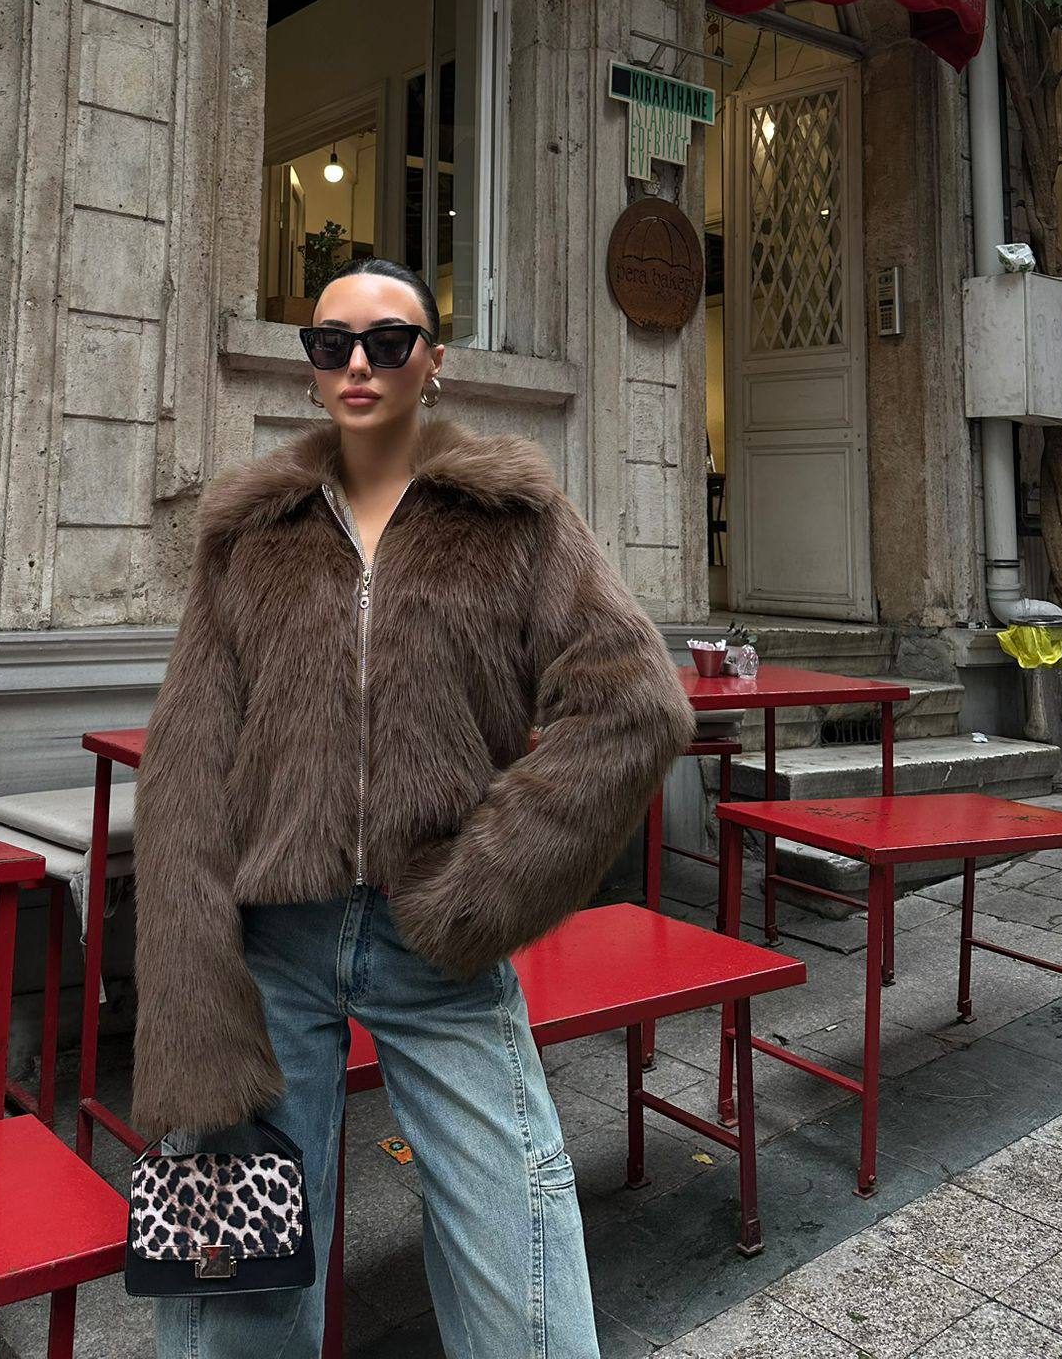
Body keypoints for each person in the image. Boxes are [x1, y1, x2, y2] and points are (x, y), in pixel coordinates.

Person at [129, 257, 696, 1358]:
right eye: (330, 342)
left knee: (519, 1268)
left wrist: (483, 888)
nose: (358, 363)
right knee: (239, 1287)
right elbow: (188, 762)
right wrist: (188, 989)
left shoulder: (513, 516)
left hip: (433, 941)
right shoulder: (252, 529)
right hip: (271, 947)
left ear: (432, 362)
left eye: (388, 342)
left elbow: (635, 706)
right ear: (310, 366)